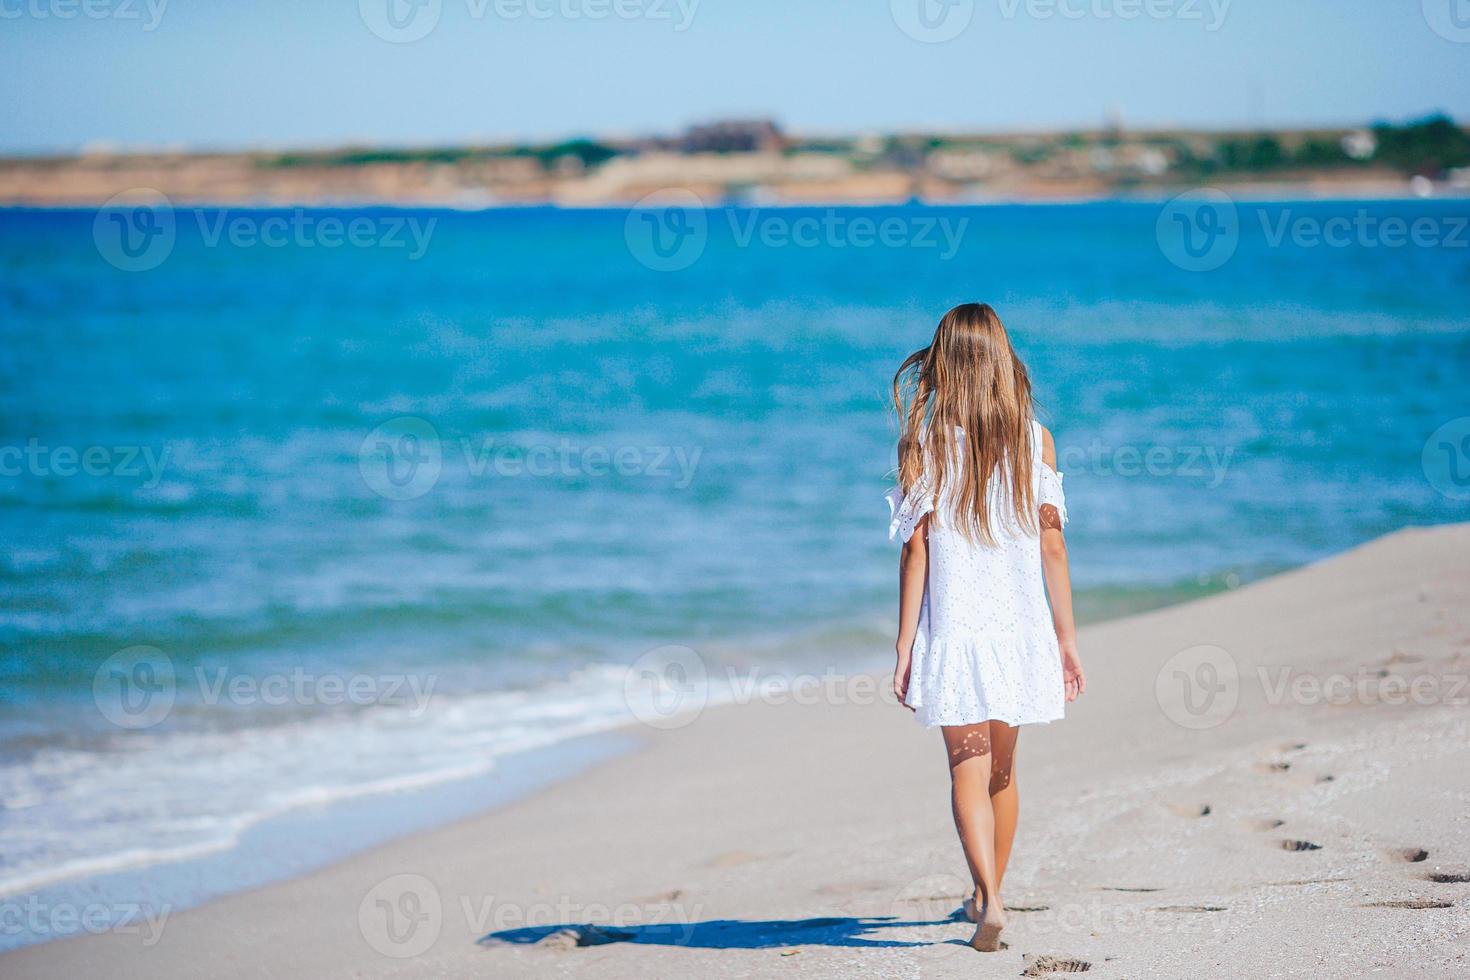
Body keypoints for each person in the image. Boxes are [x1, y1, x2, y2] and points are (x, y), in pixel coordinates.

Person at [887, 302, 1086, 952]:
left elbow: (915, 550)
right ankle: (987, 893)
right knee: (1003, 770)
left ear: (943, 364)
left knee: (965, 769)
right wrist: (1066, 638)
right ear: (1002, 360)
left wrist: (903, 647)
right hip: (1022, 630)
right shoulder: (1036, 439)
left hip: (957, 631)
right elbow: (1052, 547)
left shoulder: (924, 444)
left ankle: (988, 898)